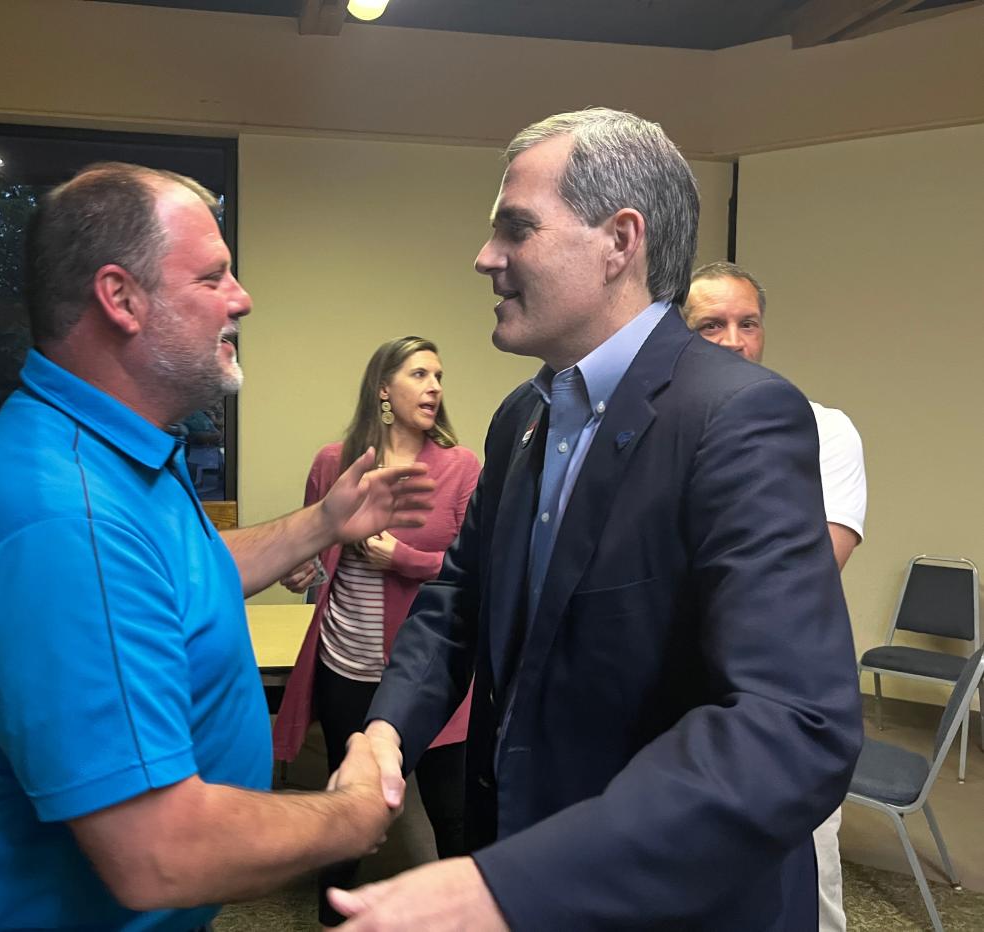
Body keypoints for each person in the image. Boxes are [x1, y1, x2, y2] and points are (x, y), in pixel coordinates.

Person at [338, 109, 863, 930]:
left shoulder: (740, 417)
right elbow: (458, 603)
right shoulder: (522, 417)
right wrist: (386, 731)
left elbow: (791, 724)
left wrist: (509, 886)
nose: (485, 258)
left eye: (516, 229)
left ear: (621, 241)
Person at [0, 162, 433, 931]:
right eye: (214, 276)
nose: (242, 298)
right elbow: (161, 853)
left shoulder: (122, 452)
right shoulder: (65, 521)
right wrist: (352, 813)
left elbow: (186, 580)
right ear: (121, 298)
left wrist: (323, 523)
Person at [273, 335, 481, 925]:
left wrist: (405, 559)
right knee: (347, 806)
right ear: (383, 389)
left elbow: (476, 572)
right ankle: (331, 917)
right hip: (348, 664)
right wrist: (301, 568)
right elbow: (318, 557)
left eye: (439, 376)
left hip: (433, 674)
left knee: (453, 814)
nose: (435, 387)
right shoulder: (334, 462)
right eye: (419, 374)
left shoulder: (460, 467)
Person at [684, 260, 866, 932]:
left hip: (789, 706)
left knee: (805, 896)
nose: (733, 340)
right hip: (685, 704)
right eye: (711, 326)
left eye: (747, 323)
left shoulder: (825, 430)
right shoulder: (665, 436)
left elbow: (808, 575)